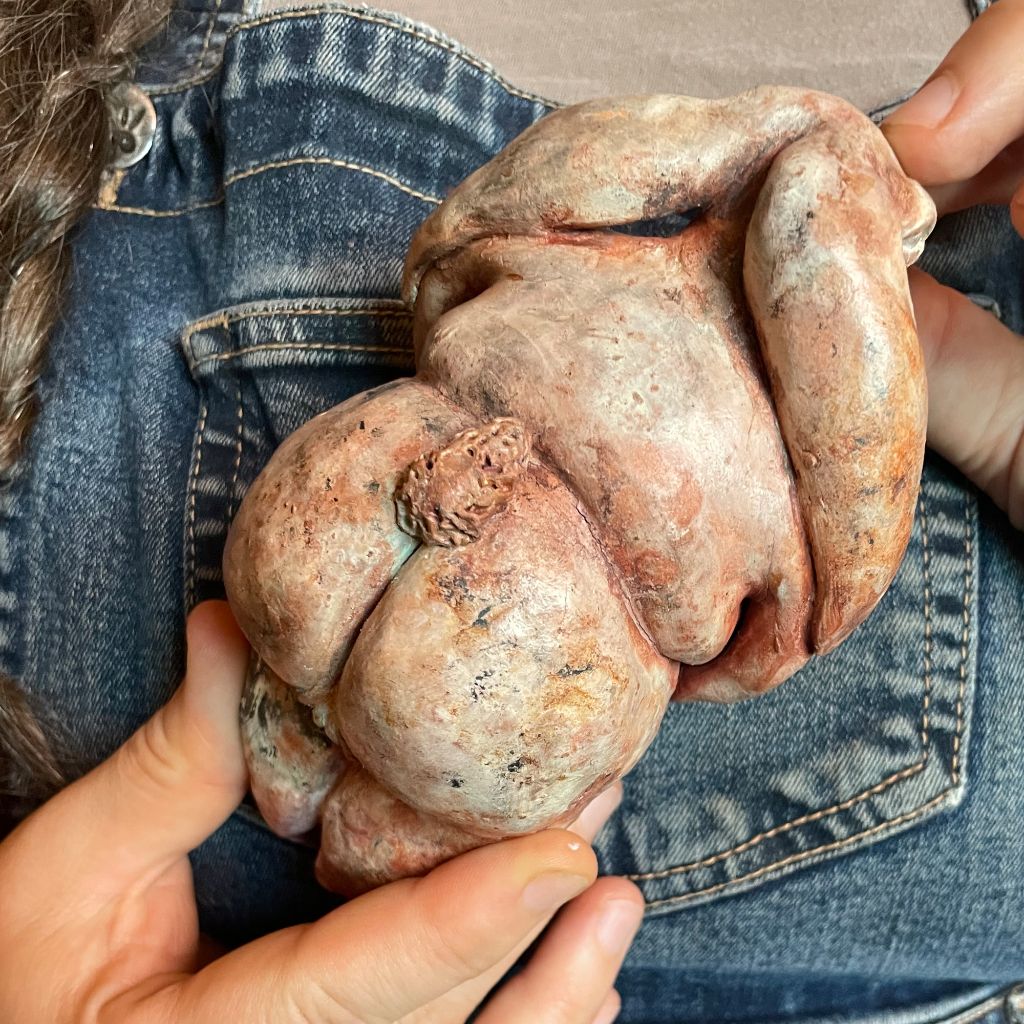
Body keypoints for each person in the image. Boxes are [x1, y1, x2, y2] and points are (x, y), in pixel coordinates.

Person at [0, 1, 1020, 1021]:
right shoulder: (743, 262)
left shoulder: (729, 261)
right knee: (327, 714)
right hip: (467, 567)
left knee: (364, 762)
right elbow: (820, 600)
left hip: (518, 618)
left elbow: (471, 234)